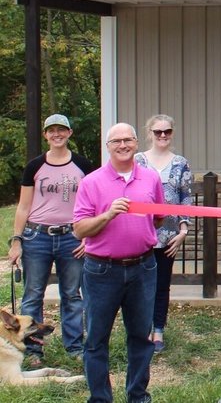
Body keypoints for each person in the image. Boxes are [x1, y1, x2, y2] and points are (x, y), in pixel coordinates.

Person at [73, 123, 164, 403]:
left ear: (136, 143)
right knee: (96, 340)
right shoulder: (92, 182)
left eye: (128, 140)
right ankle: (100, 398)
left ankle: (138, 396)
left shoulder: (151, 178)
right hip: (102, 270)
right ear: (108, 146)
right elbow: (80, 229)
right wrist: (108, 215)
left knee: (140, 337)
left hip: (143, 267)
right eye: (116, 141)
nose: (123, 145)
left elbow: (158, 216)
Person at [7, 113, 93, 365]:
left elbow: (93, 204)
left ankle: (74, 347)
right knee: (33, 294)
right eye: (51, 130)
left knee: (72, 294)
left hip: (72, 236)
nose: (57, 134)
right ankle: (33, 350)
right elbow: (23, 207)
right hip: (37, 237)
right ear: (45, 135)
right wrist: (16, 241)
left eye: (62, 130)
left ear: (69, 133)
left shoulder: (83, 165)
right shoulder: (35, 166)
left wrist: (87, 237)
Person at [134, 114, 192, 354]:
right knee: (139, 285)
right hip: (140, 234)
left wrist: (183, 230)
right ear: (150, 133)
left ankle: (158, 329)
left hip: (168, 235)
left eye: (167, 131)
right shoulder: (138, 160)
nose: (163, 136)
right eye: (158, 132)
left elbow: (185, 198)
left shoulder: (180, 163)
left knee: (161, 286)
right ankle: (141, 329)